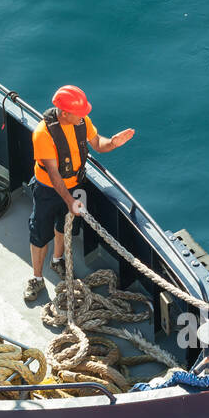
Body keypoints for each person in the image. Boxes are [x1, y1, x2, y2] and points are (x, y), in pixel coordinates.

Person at [24, 85, 135, 302]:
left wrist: (112, 142)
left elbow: (98, 144)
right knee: (39, 234)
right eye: (80, 112)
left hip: (74, 184)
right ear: (64, 113)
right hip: (47, 190)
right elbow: (55, 176)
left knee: (63, 226)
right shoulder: (43, 135)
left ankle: (57, 260)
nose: (85, 116)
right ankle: (37, 278)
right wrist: (69, 201)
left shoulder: (81, 122)